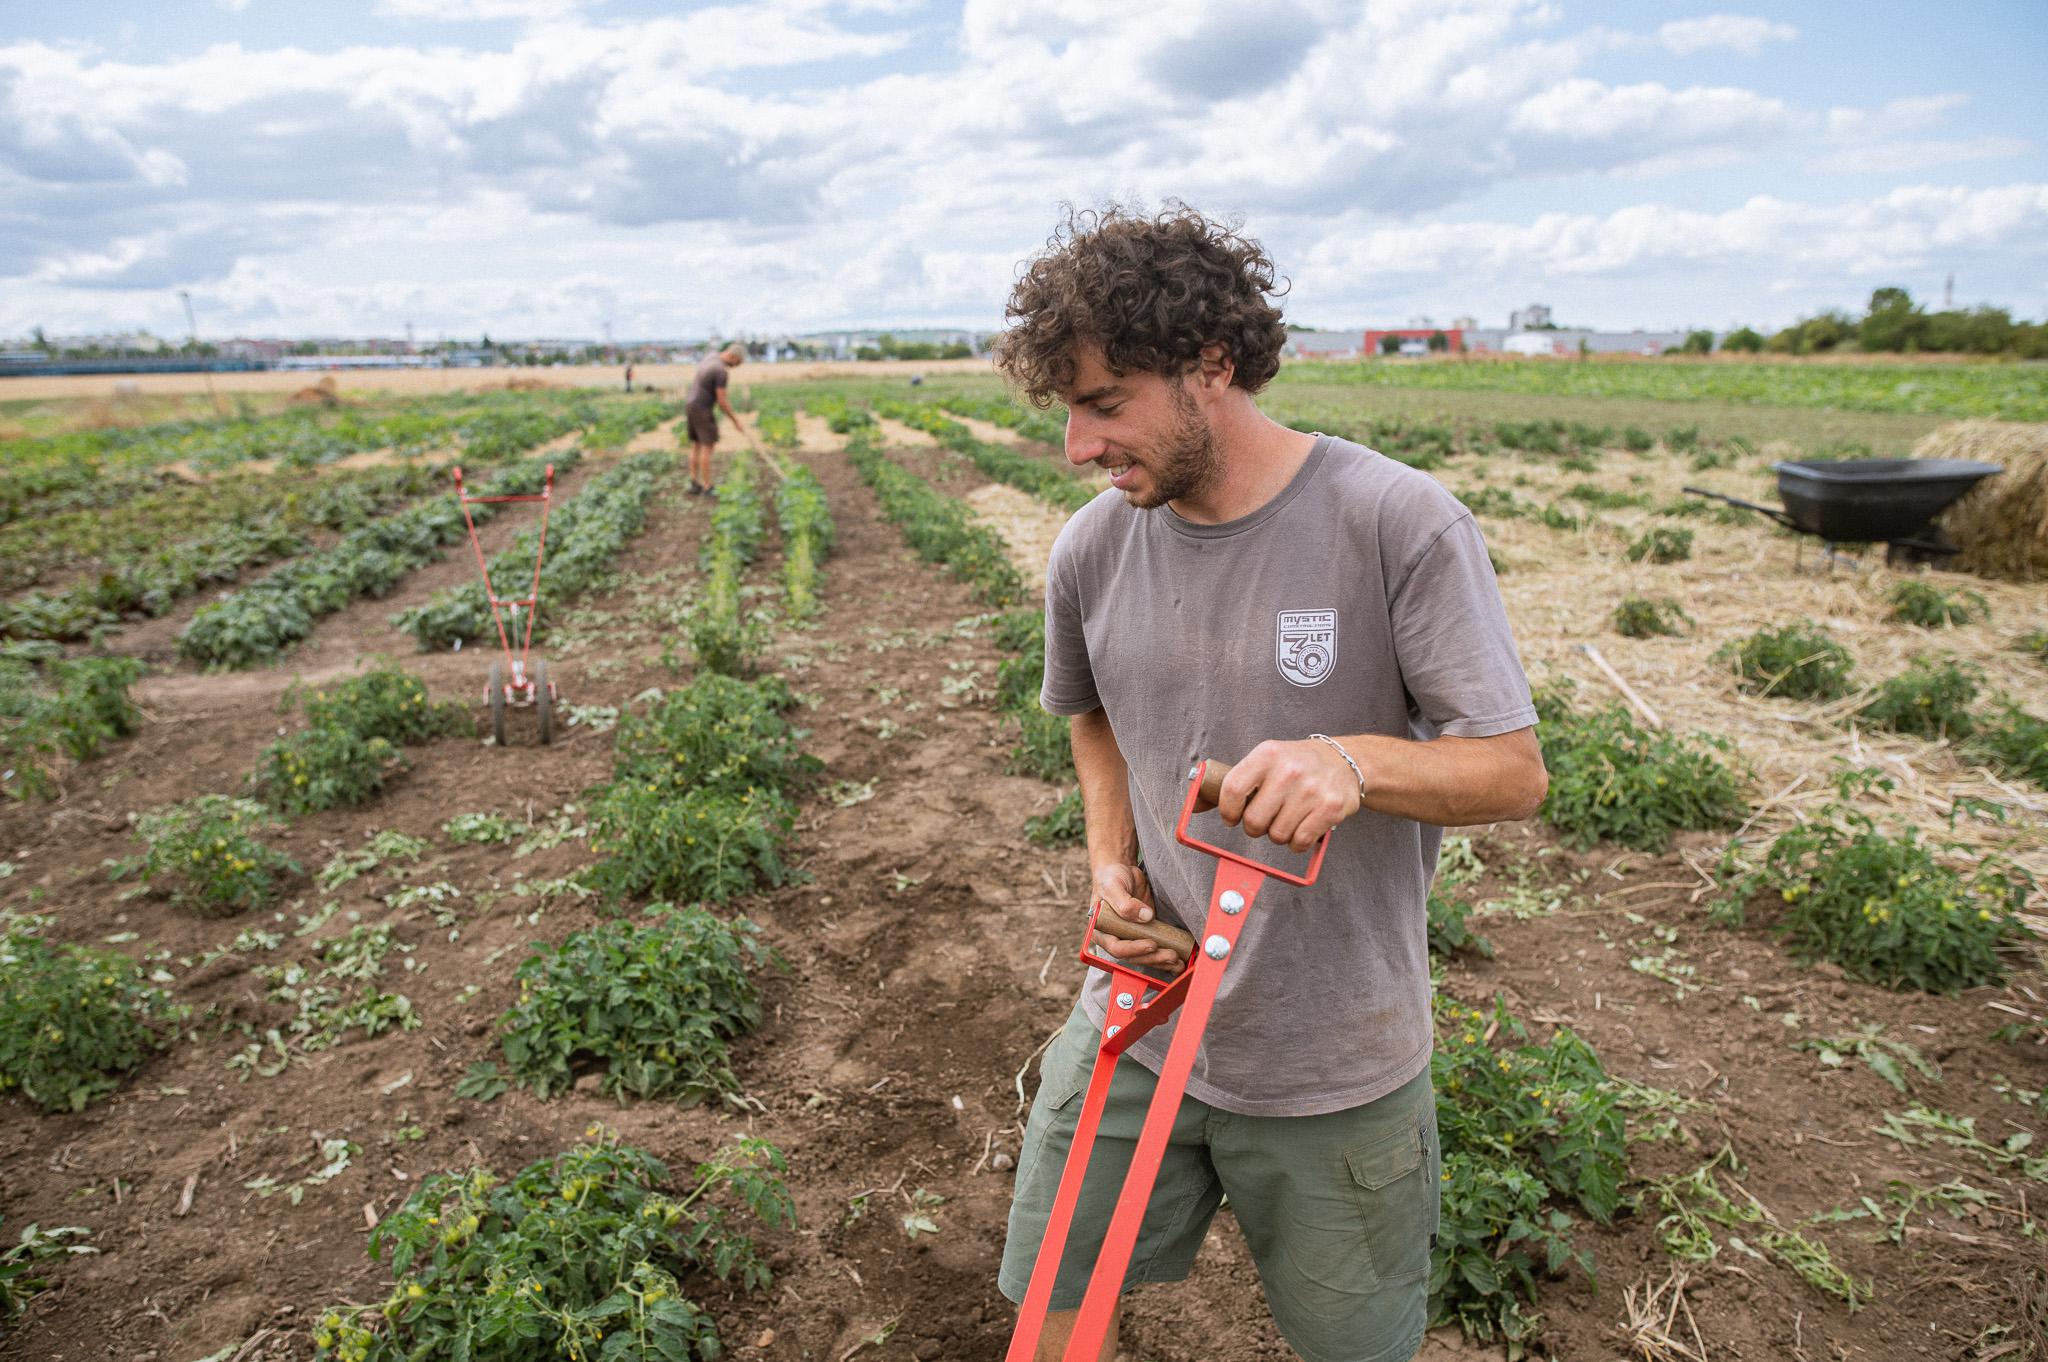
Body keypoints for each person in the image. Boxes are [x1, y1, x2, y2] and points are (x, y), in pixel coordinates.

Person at [992, 206, 1549, 1362]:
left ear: (1212, 366)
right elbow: (1088, 714)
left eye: (1104, 403)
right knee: (1051, 1307)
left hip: (1329, 1060)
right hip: (1137, 1026)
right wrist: (1113, 863)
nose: (1078, 446)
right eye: (1066, 411)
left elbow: (1510, 771)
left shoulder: (1393, 522)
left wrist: (1352, 762)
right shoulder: (1091, 547)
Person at [684, 344, 749, 495]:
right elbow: (722, 401)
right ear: (733, 357)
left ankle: (694, 483)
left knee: (696, 445)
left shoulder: (711, 357)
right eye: (737, 363)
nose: (736, 367)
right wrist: (735, 421)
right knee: (708, 446)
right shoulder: (721, 371)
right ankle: (707, 486)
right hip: (702, 408)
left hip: (691, 405)